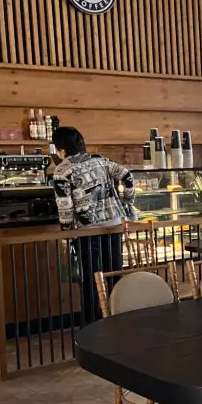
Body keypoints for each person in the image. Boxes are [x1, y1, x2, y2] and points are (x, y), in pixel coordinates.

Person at [51, 127, 136, 322]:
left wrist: (66, 235)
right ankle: (117, 320)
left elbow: (65, 208)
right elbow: (128, 177)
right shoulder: (101, 161)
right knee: (113, 275)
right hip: (113, 225)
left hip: (87, 231)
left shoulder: (62, 171)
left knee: (91, 279)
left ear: (60, 149)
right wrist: (127, 202)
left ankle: (92, 326)